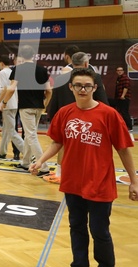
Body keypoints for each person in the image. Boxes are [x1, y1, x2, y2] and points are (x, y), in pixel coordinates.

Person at [29, 68, 137, 267]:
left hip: (100, 183)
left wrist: (134, 181)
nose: (82, 89)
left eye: (87, 85)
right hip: (73, 182)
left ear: (95, 88)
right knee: (76, 227)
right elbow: (57, 142)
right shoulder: (65, 113)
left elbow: (124, 149)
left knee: (99, 230)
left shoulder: (109, 114)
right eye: (78, 85)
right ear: (71, 87)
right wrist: (41, 161)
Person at [44, 52, 110, 184]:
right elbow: (103, 101)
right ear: (86, 64)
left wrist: (52, 117)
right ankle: (88, 174)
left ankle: (60, 174)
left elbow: (54, 101)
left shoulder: (61, 78)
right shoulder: (94, 77)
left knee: (61, 144)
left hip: (66, 118)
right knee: (88, 147)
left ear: (71, 63)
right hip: (90, 120)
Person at [0, 45, 52, 176]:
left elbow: (11, 89)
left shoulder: (18, 69)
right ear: (33, 55)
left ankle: (43, 166)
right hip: (38, 107)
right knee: (29, 134)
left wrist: (3, 102)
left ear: (21, 56)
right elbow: (49, 91)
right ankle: (26, 162)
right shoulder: (42, 70)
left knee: (31, 136)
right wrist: (44, 103)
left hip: (26, 107)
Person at [0, 56, 24, 160]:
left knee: (11, 131)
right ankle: (2, 152)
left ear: (1, 63)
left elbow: (4, 90)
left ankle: (29, 153)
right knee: (6, 130)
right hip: (14, 103)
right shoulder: (11, 71)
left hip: (7, 104)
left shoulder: (2, 73)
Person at [113, 65, 132, 132]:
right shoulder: (119, 78)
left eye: (120, 70)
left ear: (123, 71)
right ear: (116, 72)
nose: (119, 72)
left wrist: (123, 96)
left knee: (124, 112)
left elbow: (125, 87)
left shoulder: (125, 78)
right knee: (119, 111)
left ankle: (129, 127)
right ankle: (122, 125)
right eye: (118, 70)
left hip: (124, 98)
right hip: (119, 98)